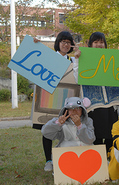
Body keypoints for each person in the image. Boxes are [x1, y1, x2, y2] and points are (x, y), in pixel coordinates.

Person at [32, 31, 77, 171]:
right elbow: (34, 63)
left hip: (67, 100)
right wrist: (35, 46)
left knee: (67, 130)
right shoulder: (49, 57)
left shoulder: (74, 61)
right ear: (58, 43)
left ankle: (64, 158)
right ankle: (49, 160)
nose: (65, 44)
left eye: (68, 42)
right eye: (63, 41)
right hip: (49, 99)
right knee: (48, 129)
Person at [72, 32, 119, 154]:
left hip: (110, 104)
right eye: (96, 42)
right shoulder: (84, 58)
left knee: (111, 134)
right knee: (96, 134)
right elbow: (78, 79)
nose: (99, 45)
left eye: (101, 42)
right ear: (90, 44)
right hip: (94, 104)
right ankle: (99, 160)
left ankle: (109, 158)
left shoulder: (113, 58)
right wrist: (77, 60)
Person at [41, 97, 95, 171]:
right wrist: (58, 123)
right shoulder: (61, 121)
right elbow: (45, 132)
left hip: (84, 151)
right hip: (67, 152)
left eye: (77, 108)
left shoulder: (88, 121)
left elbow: (90, 139)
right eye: (71, 109)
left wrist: (80, 126)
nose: (74, 111)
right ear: (66, 110)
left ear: (82, 110)